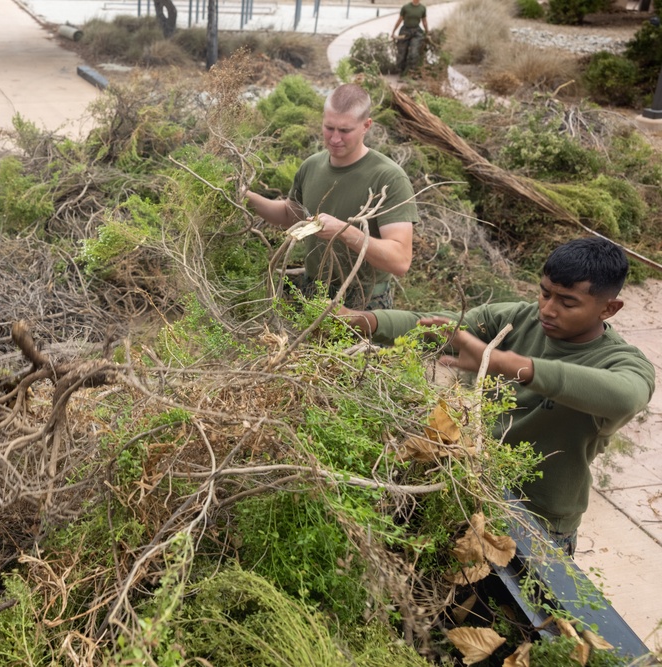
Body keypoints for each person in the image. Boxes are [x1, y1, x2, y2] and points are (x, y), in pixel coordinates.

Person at [336, 237, 655, 555]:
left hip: (540, 520)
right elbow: (442, 325)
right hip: (472, 486)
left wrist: (504, 363)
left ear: (609, 309)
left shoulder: (622, 362)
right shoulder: (517, 319)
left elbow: (626, 396)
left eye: (567, 302)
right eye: (544, 293)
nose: (547, 309)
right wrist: (364, 320)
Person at [245, 83, 419, 310]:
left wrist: (343, 232)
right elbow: (290, 215)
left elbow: (400, 261)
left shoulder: (389, 178)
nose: (335, 138)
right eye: (329, 128)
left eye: (345, 131)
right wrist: (245, 196)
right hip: (313, 295)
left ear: (366, 126)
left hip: (365, 304)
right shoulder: (312, 166)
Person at [391, 0, 429, 76]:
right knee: (402, 53)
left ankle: (412, 72)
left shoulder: (422, 8)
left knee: (414, 52)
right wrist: (393, 31)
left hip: (416, 32)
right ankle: (400, 71)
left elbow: (424, 21)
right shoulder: (405, 7)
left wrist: (427, 32)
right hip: (405, 31)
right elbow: (400, 20)